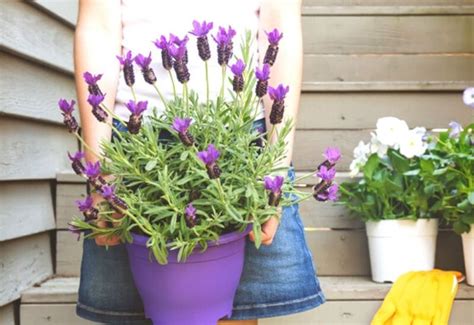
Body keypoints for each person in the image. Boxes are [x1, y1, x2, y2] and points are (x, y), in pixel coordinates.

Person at [74, 0, 325, 324]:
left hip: (240, 139)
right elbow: (98, 28)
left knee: (233, 315)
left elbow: (282, 27)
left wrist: (274, 168)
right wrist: (101, 176)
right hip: (136, 147)